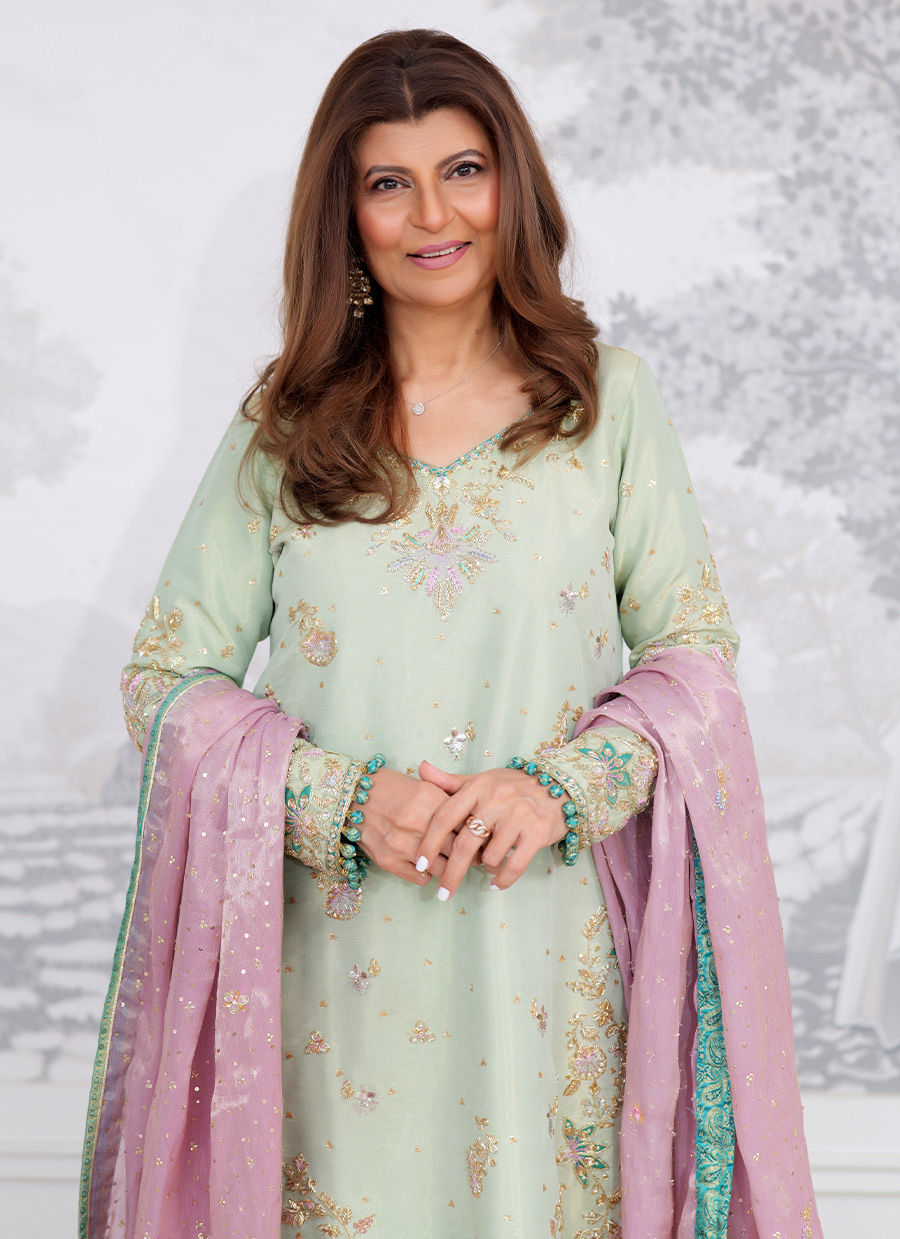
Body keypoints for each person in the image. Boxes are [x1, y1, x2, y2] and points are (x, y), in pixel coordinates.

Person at [80, 29, 822, 1239]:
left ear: (511, 185)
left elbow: (695, 658)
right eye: (390, 181)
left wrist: (559, 788)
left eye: (463, 170)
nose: (434, 214)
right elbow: (166, 674)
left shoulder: (606, 404)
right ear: (345, 214)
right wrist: (338, 798)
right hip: (336, 994)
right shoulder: (286, 425)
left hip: (549, 968)